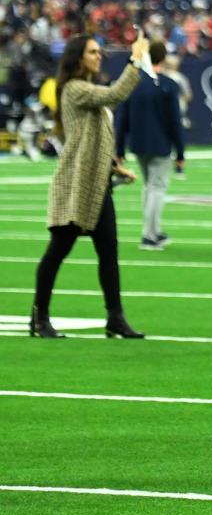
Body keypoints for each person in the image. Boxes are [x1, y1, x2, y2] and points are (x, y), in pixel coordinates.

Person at [31, 33, 150, 339]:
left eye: (99, 52)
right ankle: (39, 317)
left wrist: (114, 167)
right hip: (75, 185)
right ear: (78, 57)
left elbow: (93, 136)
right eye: (93, 52)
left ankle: (115, 318)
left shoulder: (85, 89)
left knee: (108, 253)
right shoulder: (73, 89)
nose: (99, 56)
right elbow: (115, 94)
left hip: (98, 185)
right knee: (57, 251)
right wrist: (135, 59)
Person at [115, 40, 185, 251]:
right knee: (157, 189)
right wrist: (180, 152)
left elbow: (122, 118)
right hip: (160, 145)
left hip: (137, 144)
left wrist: (119, 148)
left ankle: (153, 230)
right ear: (163, 58)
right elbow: (175, 121)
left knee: (149, 187)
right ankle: (149, 235)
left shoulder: (134, 82)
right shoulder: (168, 84)